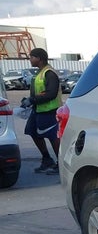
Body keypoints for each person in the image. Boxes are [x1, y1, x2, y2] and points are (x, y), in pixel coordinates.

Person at [23, 47, 62, 175]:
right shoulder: (40, 72)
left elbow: (51, 94)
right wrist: (29, 100)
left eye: (31, 57)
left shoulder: (49, 73)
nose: (30, 59)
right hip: (38, 110)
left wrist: (32, 100)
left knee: (53, 137)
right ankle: (47, 159)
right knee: (32, 131)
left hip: (50, 111)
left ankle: (61, 164)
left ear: (39, 58)